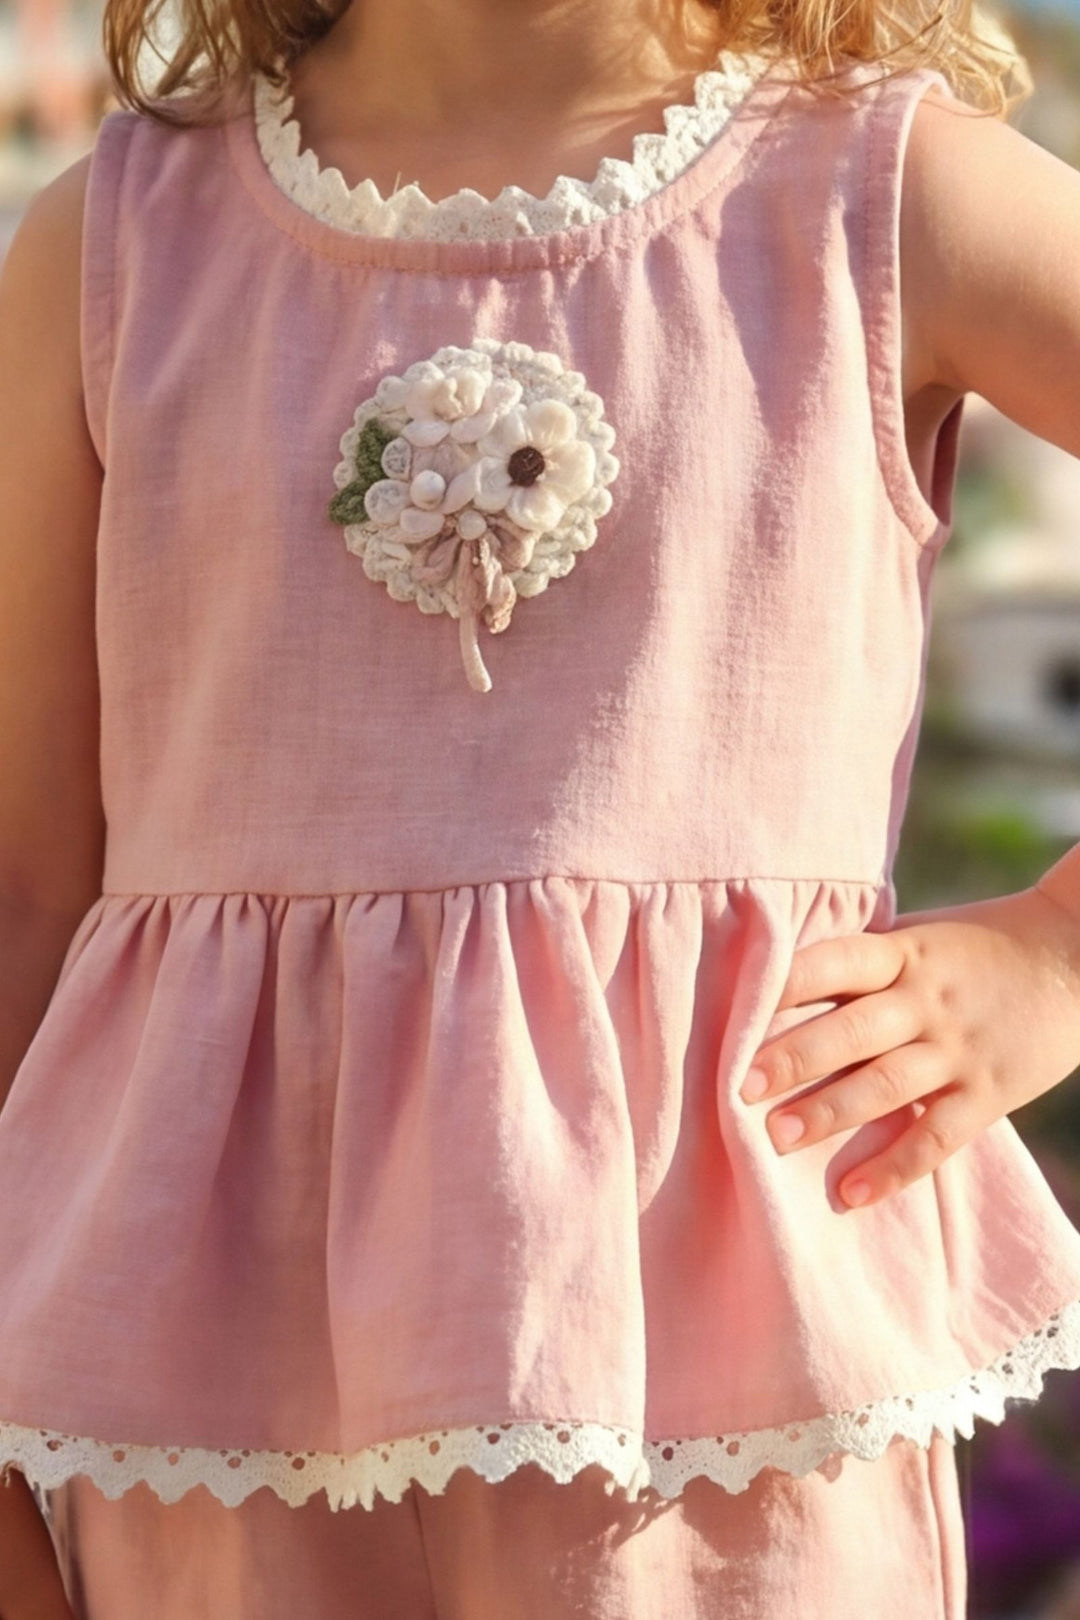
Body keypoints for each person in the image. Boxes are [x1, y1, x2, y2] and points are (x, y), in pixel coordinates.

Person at [1, 0, 1080, 1613]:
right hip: (209, 1409)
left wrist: (1055, 956)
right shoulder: (112, 248)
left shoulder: (887, 189)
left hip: (720, 1395)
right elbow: (24, 885)